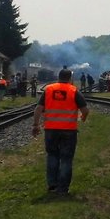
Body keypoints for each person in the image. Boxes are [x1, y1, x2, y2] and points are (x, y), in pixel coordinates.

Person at [32, 68, 89, 196]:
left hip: (51, 129)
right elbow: (85, 110)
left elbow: (38, 108)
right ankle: (63, 188)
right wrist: (82, 118)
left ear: (58, 77)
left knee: (52, 155)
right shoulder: (74, 91)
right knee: (66, 159)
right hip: (69, 130)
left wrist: (35, 125)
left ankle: (52, 185)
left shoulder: (49, 89)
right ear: (70, 78)